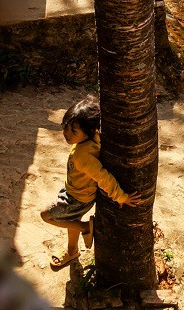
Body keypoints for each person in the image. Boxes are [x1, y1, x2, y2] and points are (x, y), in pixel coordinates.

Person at [41, 95, 140, 271]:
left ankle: (85, 227)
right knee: (71, 220)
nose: (66, 134)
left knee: (45, 215)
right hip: (73, 190)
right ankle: (72, 251)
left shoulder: (83, 156)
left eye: (73, 131)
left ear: (89, 131)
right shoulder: (92, 139)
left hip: (78, 198)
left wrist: (121, 197)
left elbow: (103, 177)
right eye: (66, 128)